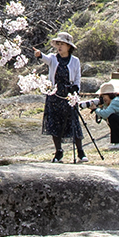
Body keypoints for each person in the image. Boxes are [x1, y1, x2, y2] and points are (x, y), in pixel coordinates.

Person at [32, 34, 85, 164]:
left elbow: (77, 77)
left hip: (69, 94)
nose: (59, 47)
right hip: (54, 94)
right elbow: (45, 58)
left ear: (68, 46)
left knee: (73, 122)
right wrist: (39, 55)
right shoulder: (53, 58)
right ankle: (58, 151)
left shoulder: (75, 61)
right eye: (58, 44)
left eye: (62, 44)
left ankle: (80, 151)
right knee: (54, 122)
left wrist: (76, 89)